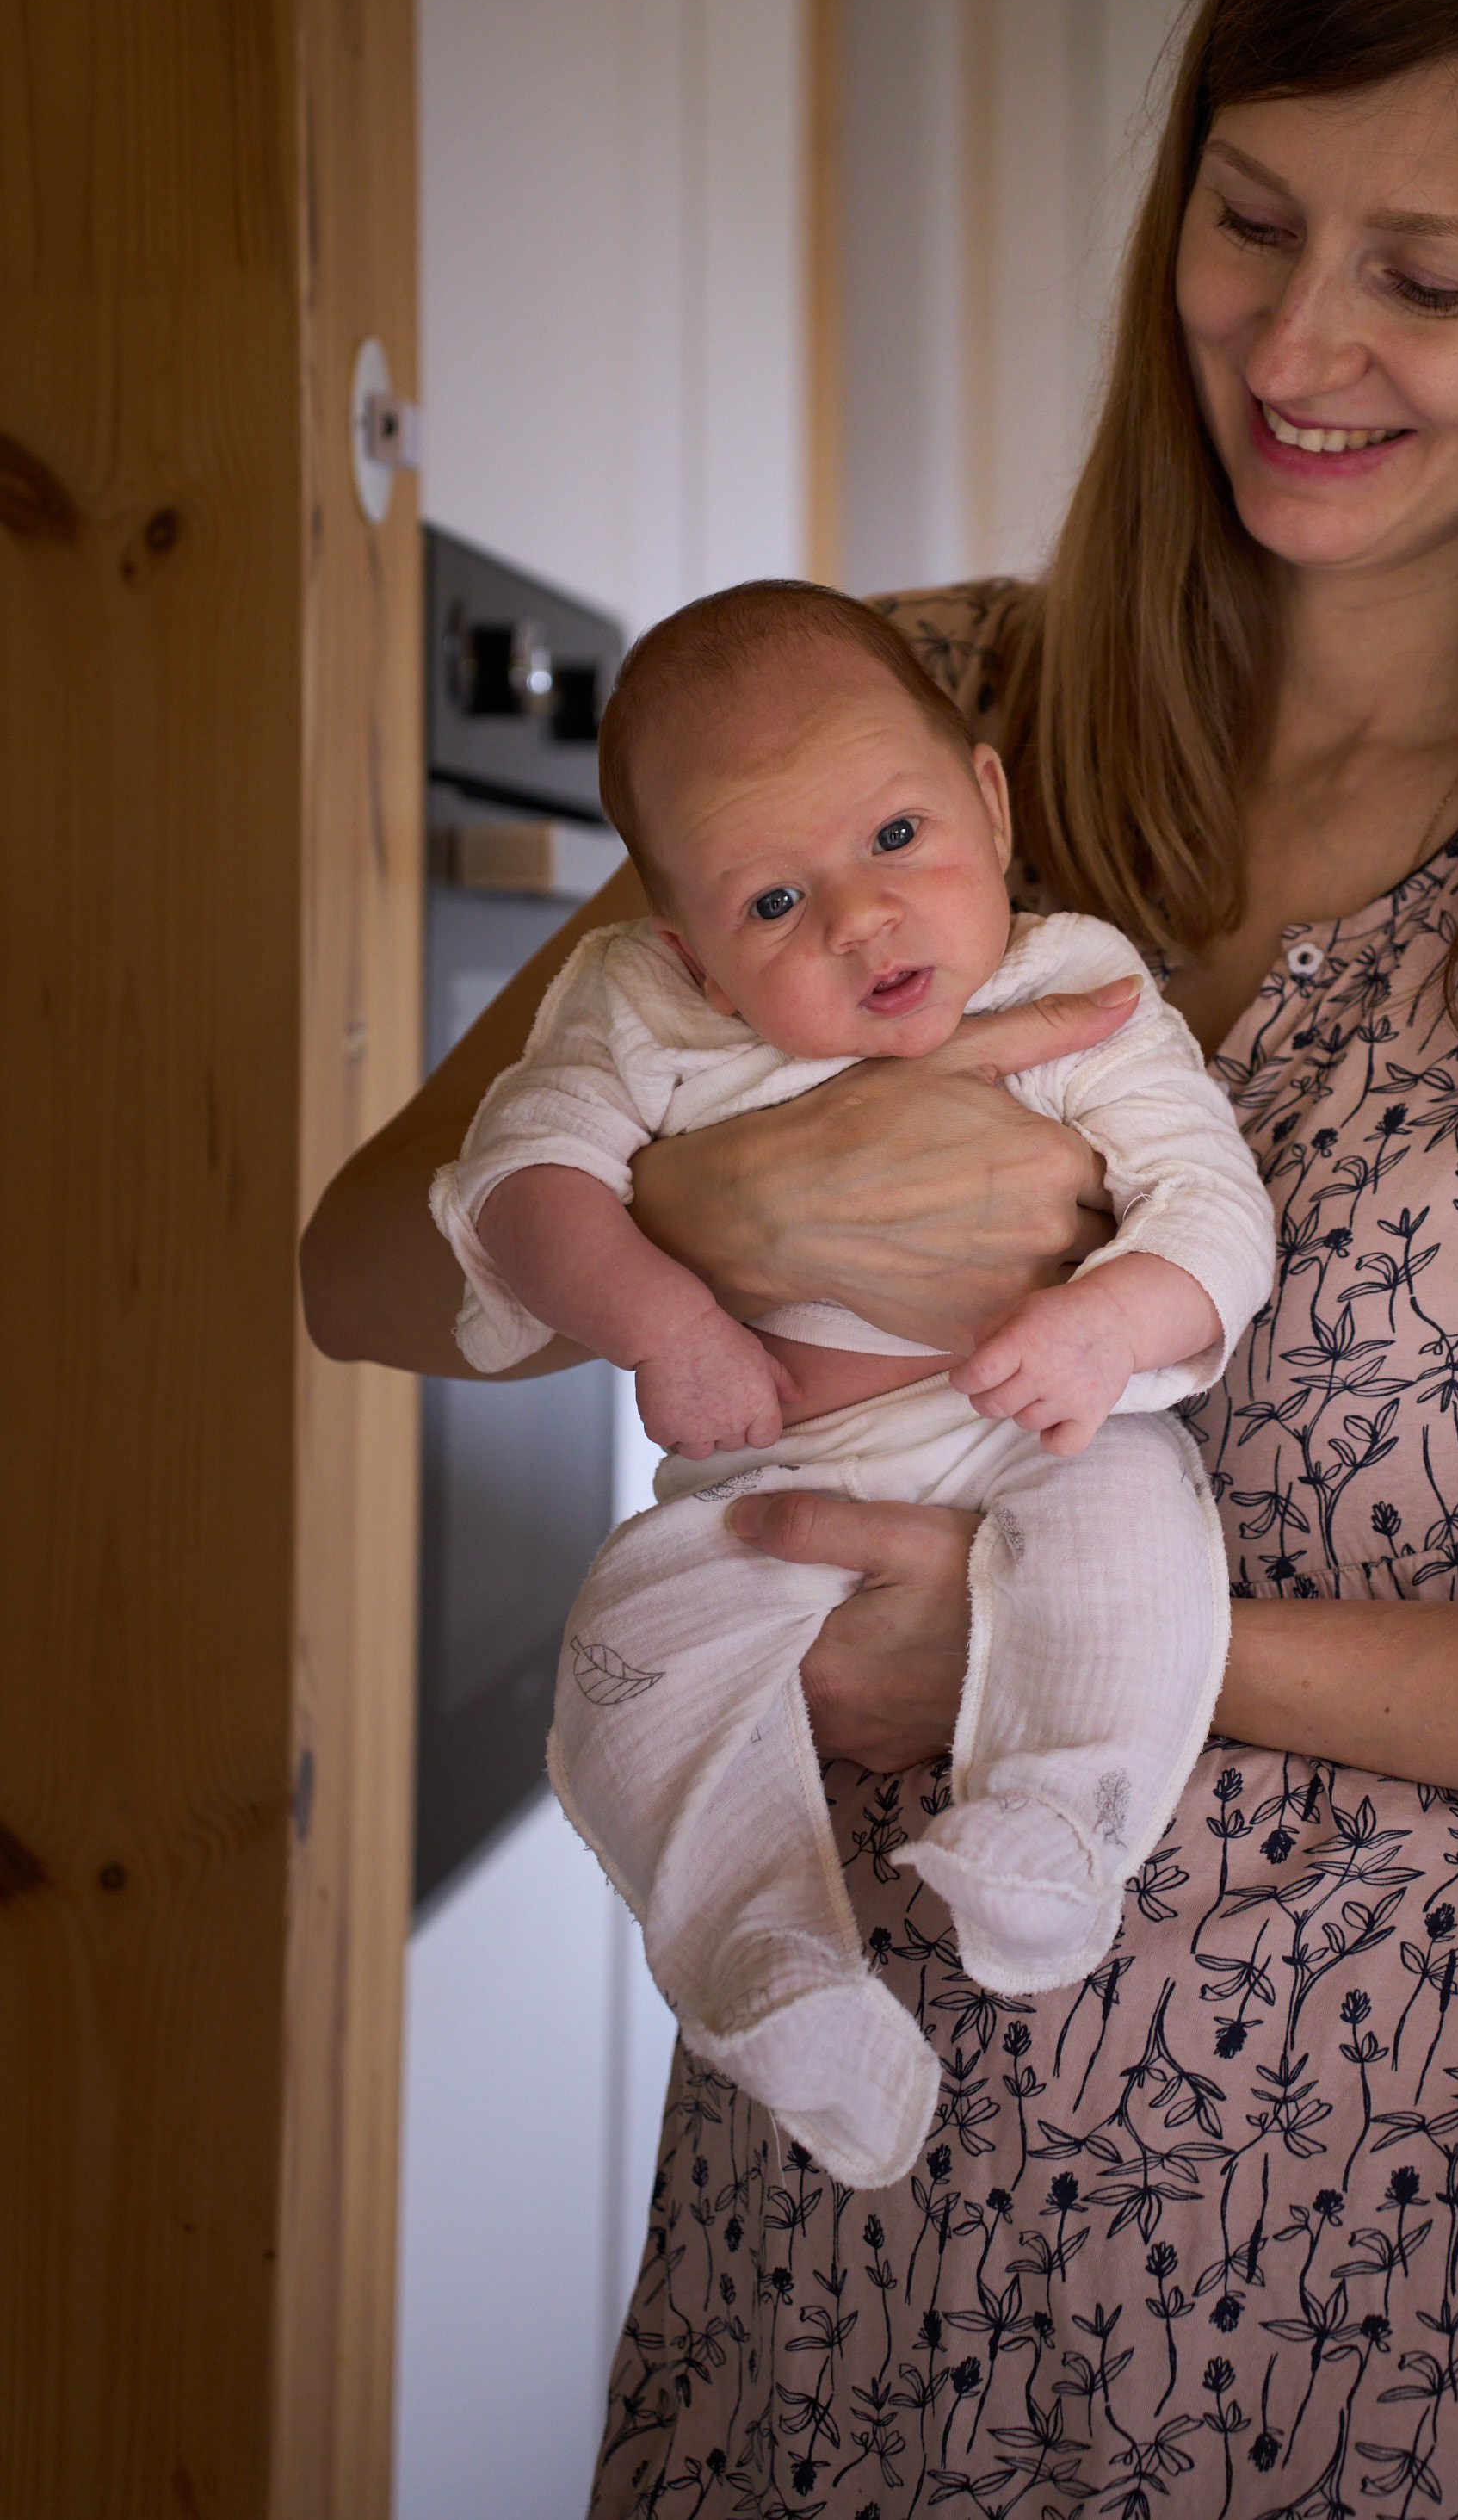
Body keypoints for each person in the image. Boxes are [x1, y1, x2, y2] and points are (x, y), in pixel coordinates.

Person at [303, 0, 1458, 2517]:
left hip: (1436, 2281)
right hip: (862, 2265)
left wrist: (1099, 1649)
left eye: (1425, 276)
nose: (1295, 341)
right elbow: (362, 1266)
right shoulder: (909, 722)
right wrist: (710, 1218)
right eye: (1246, 219)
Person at [430, 579, 1273, 2189]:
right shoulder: (638, 1011)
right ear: (687, 949)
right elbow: (516, 1186)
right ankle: (762, 1963)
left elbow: (1211, 1211)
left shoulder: (1073, 988)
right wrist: (666, 1320)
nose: (859, 919)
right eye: (772, 902)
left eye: (895, 837)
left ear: (988, 803)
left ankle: (1053, 1825)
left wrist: (1105, 1326)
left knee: (1133, 1540)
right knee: (629, 1653)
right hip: (765, 1493)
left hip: (1027, 1441)